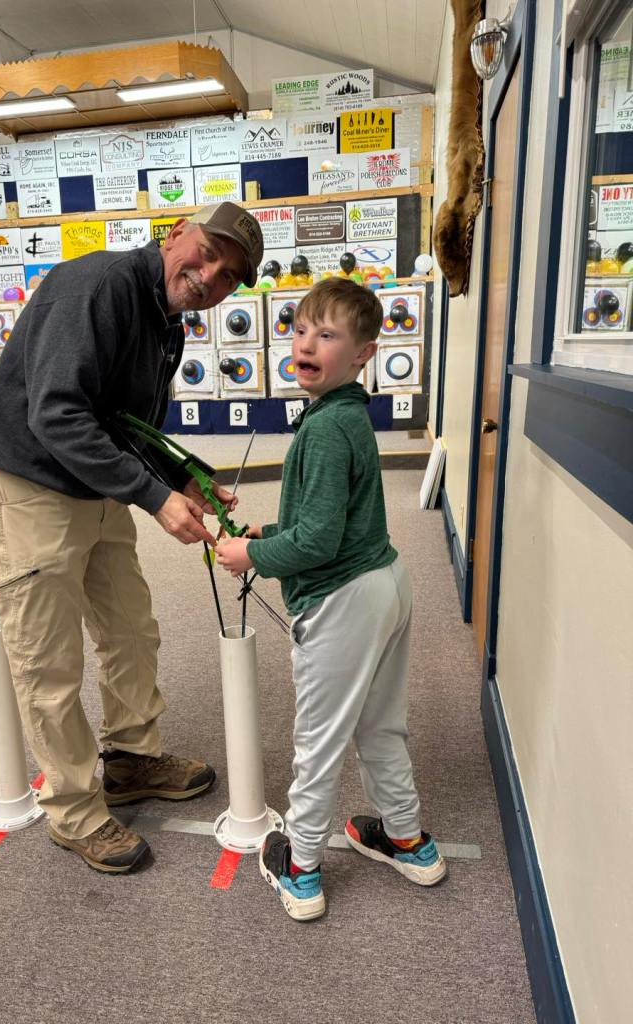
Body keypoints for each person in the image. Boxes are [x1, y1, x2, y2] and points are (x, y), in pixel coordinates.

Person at [0, 202, 264, 875]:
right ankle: (73, 811)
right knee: (47, 659)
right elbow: (58, 414)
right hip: (30, 481)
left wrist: (186, 479)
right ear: (179, 231)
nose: (210, 275)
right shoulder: (95, 287)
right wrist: (154, 497)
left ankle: (128, 762)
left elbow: (127, 425)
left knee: (130, 628)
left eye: (228, 276)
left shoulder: (167, 321)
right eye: (208, 251)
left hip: (96, 485)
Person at [216, 277, 446, 921]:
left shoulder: (322, 429)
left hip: (344, 601)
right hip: (387, 584)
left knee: (317, 740)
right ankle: (408, 840)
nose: (307, 342)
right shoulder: (343, 415)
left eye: (328, 333)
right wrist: (268, 532)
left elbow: (317, 542)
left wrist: (251, 556)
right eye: (300, 328)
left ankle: (302, 867)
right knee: (380, 725)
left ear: (363, 354)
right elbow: (331, 517)